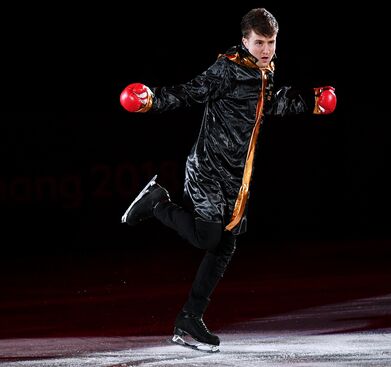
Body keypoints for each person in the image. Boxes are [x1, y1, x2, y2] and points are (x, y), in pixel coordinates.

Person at [119, 7, 336, 352]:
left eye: (272, 42)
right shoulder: (228, 70)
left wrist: (311, 103)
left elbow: (269, 105)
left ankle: (190, 317)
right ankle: (157, 202)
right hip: (207, 168)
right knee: (209, 239)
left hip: (236, 176)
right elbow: (191, 91)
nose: (267, 49)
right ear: (245, 41)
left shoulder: (265, 72)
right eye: (260, 42)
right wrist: (151, 100)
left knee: (225, 243)